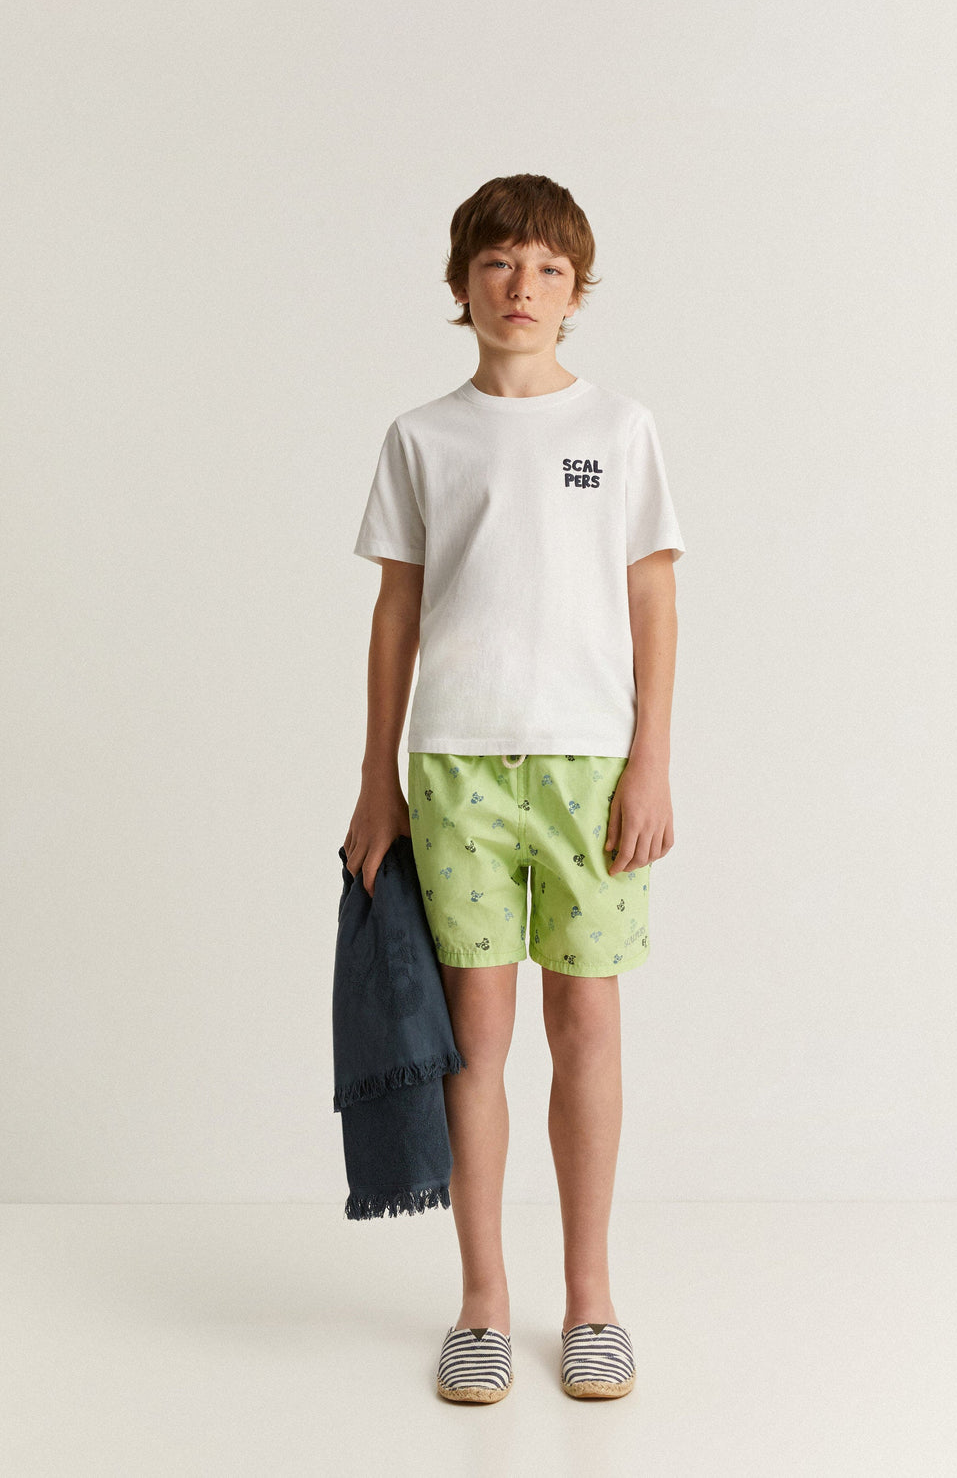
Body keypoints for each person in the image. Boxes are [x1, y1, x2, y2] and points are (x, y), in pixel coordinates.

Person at [341, 173, 685, 1401]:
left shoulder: (619, 429)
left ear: (576, 289)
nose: (521, 287)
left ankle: (590, 1300)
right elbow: (396, 614)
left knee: (585, 1024)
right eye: (497, 263)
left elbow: (653, 599)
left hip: (589, 769)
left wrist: (650, 761)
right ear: (461, 284)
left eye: (546, 268)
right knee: (473, 1038)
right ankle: (482, 1303)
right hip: (454, 769)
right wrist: (375, 780)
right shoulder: (422, 437)